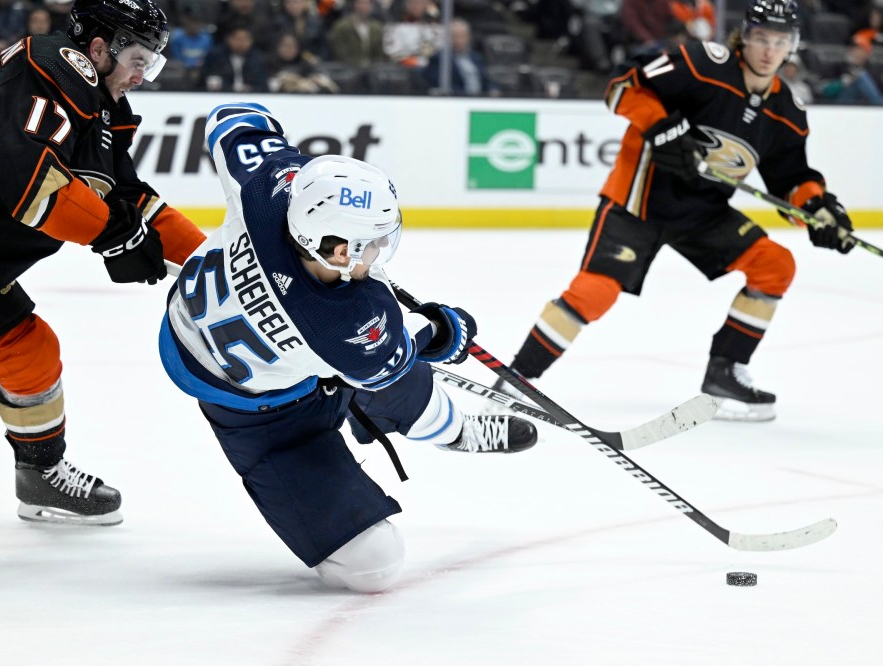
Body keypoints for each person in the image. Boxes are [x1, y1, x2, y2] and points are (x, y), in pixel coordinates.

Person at [158, 102, 538, 593]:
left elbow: (233, 116)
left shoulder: (269, 191)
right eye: (373, 243)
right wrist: (448, 332)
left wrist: (294, 172)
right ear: (340, 250)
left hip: (220, 347)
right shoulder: (348, 323)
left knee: (376, 370)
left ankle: (457, 431)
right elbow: (403, 352)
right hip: (266, 421)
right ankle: (443, 427)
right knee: (373, 565)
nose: (379, 252)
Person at [0, 0, 205, 545]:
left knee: (31, 352)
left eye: (150, 64)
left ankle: (39, 475)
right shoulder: (53, 65)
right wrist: (112, 234)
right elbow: (32, 188)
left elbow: (132, 201)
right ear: (98, 48)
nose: (141, 75)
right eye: (136, 59)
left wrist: (213, 262)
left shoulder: (103, 115)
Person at [493, 0, 856, 423]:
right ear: (744, 36)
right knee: (594, 292)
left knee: (775, 265)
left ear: (792, 46)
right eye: (761, 38)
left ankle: (724, 373)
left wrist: (818, 209)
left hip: (703, 211)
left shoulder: (787, 112)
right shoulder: (704, 64)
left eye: (780, 41)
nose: (769, 50)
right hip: (639, 199)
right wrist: (661, 128)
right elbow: (623, 85)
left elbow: (791, 179)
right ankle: (515, 381)